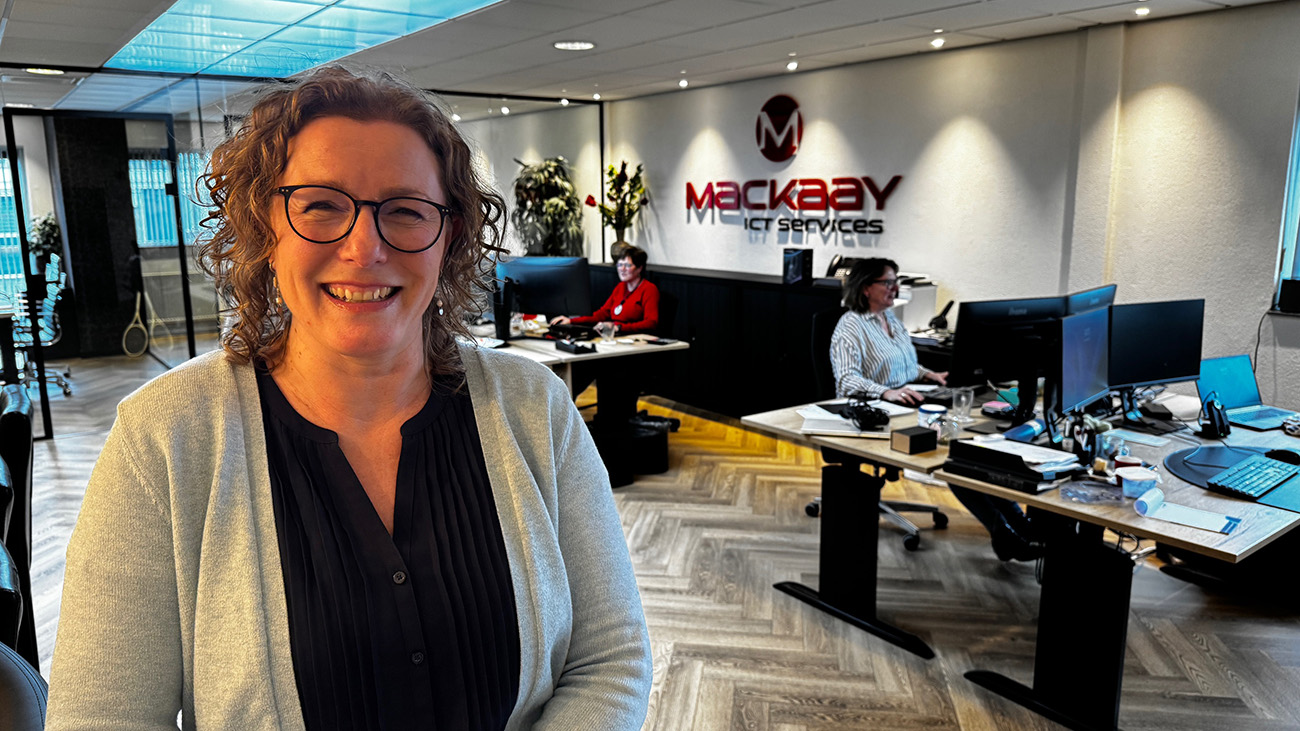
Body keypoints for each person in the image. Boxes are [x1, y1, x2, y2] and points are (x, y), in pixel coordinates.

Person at [46, 66, 652, 730]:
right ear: (265, 226)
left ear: (448, 236)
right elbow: (101, 717)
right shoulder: (163, 440)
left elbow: (610, 659)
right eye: (320, 206)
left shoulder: (536, 409)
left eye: (406, 210)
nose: (364, 248)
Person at [829, 258, 1042, 562]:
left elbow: (905, 364)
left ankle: (1021, 525)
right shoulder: (850, 326)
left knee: (971, 450)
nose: (895, 288)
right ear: (866, 288)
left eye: (896, 281)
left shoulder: (890, 319)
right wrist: (886, 391)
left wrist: (929, 375)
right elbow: (846, 378)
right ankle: (1003, 533)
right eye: (888, 282)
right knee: (956, 457)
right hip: (876, 414)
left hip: (909, 404)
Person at [551, 245, 659, 335]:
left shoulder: (649, 289)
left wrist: (619, 327)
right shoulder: (620, 287)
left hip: (635, 338)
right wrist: (571, 321)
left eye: (627, 265)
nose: (622, 269)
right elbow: (601, 314)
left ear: (639, 268)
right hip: (616, 336)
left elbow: (651, 323)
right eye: (620, 265)